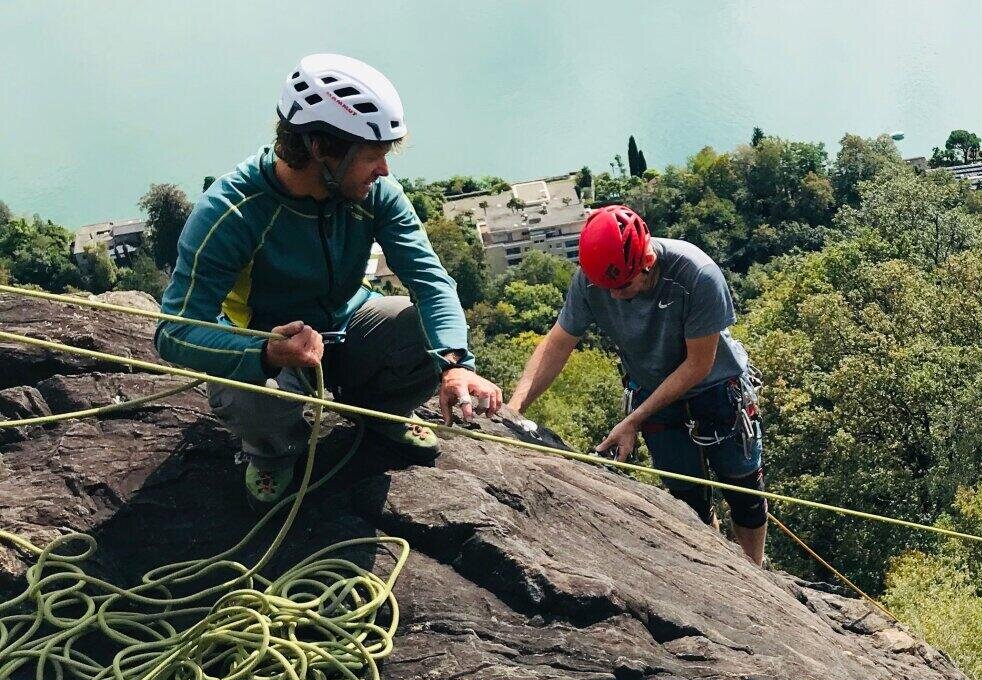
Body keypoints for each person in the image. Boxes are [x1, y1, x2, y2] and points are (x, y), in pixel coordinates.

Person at [155, 53, 501, 505]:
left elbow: (431, 281)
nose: (384, 170)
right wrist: (264, 351)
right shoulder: (233, 212)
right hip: (272, 342)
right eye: (373, 156)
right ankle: (273, 453)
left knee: (419, 328)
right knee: (245, 395)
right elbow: (176, 331)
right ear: (321, 148)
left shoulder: (375, 194)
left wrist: (455, 364)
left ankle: (380, 414)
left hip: (348, 321)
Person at [505, 206, 769, 565]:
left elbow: (697, 365)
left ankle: (755, 574)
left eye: (622, 286)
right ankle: (720, 565)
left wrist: (633, 421)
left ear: (646, 260)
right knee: (688, 501)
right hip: (653, 391)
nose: (613, 296)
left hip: (717, 389)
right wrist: (514, 407)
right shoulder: (591, 279)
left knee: (745, 495)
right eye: (605, 287)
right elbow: (559, 343)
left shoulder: (696, 276)